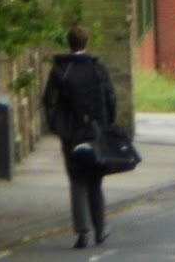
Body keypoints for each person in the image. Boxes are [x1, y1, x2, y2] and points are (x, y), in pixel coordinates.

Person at [42, 25, 116, 249]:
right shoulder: (97, 69)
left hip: (71, 133)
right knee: (95, 179)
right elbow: (110, 97)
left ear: (69, 43)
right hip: (95, 132)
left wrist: (59, 127)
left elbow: (49, 101)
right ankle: (100, 230)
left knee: (77, 180)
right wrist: (107, 124)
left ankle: (82, 232)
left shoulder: (60, 70)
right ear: (86, 43)